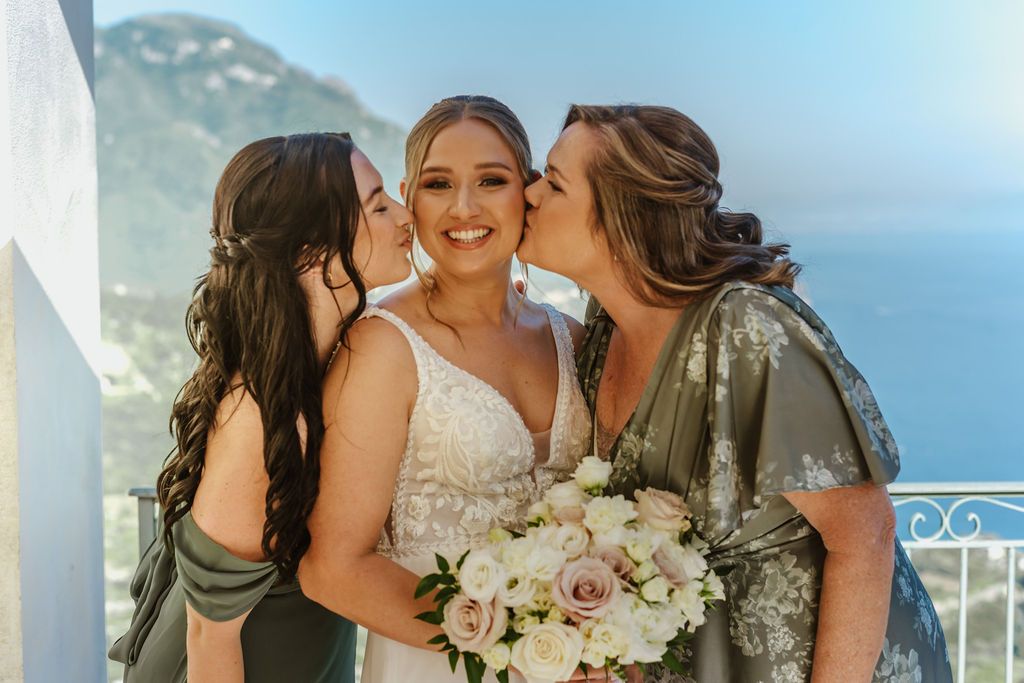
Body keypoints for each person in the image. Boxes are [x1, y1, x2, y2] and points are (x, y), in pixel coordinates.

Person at [517, 104, 952, 682]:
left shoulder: (744, 330)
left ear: (623, 220)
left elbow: (865, 533)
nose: (529, 193)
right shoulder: (599, 338)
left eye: (553, 181)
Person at [298, 96, 599, 682]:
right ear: (410, 199)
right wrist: (514, 646)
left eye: (491, 179)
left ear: (528, 192)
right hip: (436, 665)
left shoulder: (577, 339)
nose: (465, 208)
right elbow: (333, 568)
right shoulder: (383, 348)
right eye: (439, 184)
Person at [109, 132, 414, 682]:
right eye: (378, 205)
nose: (405, 214)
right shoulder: (265, 420)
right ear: (307, 249)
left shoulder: (324, 371)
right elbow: (208, 637)